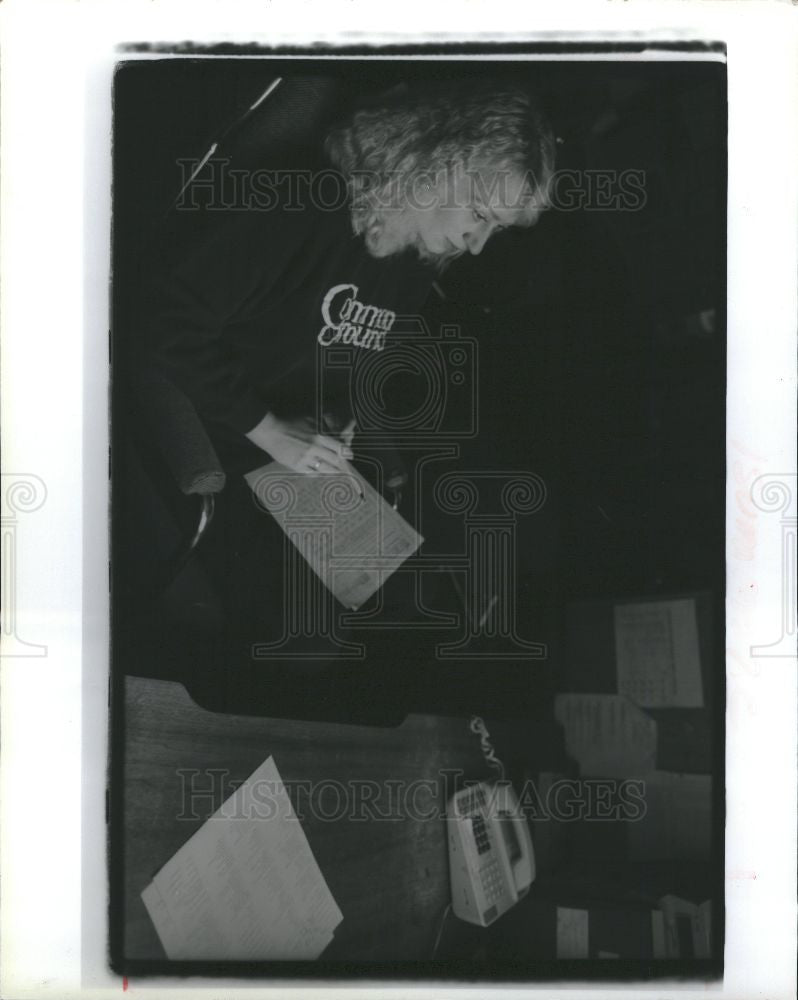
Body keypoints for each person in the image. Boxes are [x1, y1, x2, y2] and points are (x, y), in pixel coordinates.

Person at [137, 78, 556, 704]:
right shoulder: (296, 205)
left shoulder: (413, 259)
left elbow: (343, 359)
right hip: (212, 435)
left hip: (292, 450)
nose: (478, 243)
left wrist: (335, 415)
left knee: (421, 609)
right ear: (438, 166)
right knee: (305, 644)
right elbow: (161, 319)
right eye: (480, 216)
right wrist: (269, 430)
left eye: (495, 229)